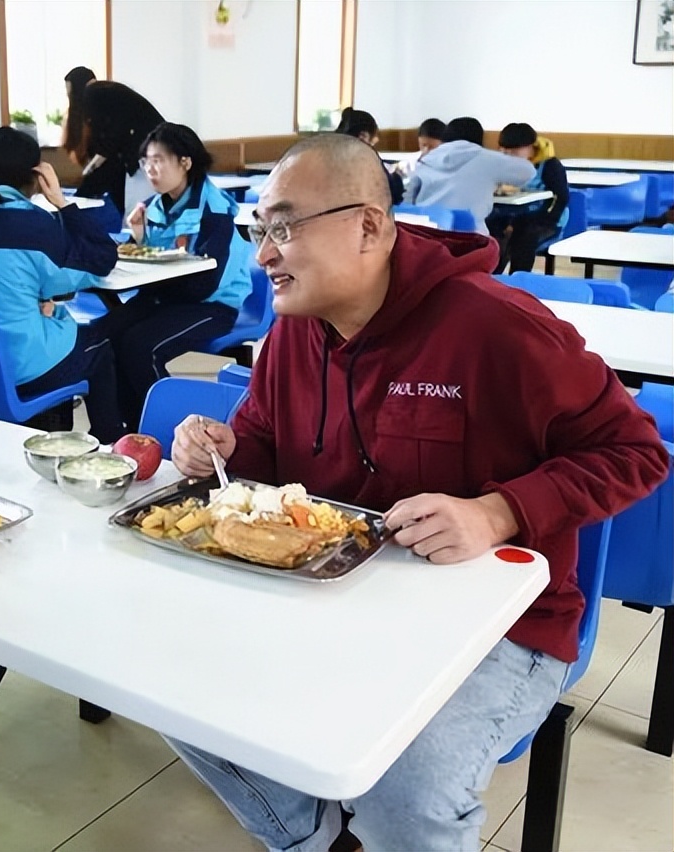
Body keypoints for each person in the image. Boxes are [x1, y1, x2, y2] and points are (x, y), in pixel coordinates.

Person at [167, 133, 668, 851]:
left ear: (367, 225)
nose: (262, 255)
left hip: (501, 625)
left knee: (408, 792)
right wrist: (224, 449)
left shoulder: (497, 327)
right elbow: (266, 447)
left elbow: (635, 452)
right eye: (259, 229)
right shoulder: (291, 334)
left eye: (282, 227)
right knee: (176, 687)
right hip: (332, 592)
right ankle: (317, 839)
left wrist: (500, 512)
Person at [0, 126, 125, 442]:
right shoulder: (33, 224)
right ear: (37, 174)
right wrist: (62, 202)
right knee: (99, 346)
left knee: (55, 335)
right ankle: (111, 444)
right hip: (21, 371)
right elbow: (100, 260)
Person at [102, 122, 254, 430]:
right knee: (102, 336)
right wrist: (139, 237)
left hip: (212, 305)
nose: (150, 169)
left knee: (140, 346)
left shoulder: (214, 208)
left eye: (158, 160)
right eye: (146, 161)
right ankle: (125, 429)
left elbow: (204, 284)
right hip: (164, 298)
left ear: (185, 162)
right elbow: (142, 258)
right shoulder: (154, 208)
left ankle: (170, 430)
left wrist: (157, 285)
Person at [403, 116, 536, 235]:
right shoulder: (486, 158)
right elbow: (528, 172)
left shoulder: (426, 160)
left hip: (428, 232)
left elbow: (407, 198)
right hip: (470, 236)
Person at [62, 66, 165, 215]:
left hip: (144, 148)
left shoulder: (92, 93)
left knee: (108, 177)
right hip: (154, 145)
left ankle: (76, 205)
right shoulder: (106, 90)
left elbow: (112, 135)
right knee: (109, 176)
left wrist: (94, 164)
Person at [486, 122, 571, 273]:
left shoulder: (550, 165)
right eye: (504, 151)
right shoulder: (501, 165)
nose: (509, 156)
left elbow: (561, 198)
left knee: (524, 234)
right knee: (492, 230)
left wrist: (544, 220)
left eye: (514, 152)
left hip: (546, 218)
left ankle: (519, 278)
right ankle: (492, 277)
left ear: (531, 148)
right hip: (509, 215)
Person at [334, 107, 404, 204]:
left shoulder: (330, 153)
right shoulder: (365, 159)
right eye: (375, 135)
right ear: (363, 136)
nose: (376, 140)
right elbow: (392, 192)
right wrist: (396, 176)